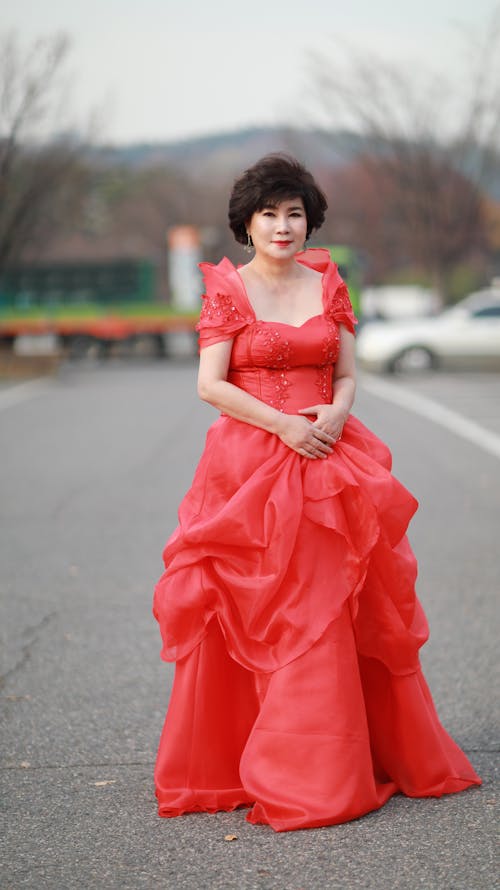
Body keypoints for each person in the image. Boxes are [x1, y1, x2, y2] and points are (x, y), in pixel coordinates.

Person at [152, 154, 481, 832]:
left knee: (332, 602)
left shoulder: (328, 284)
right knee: (263, 606)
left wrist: (333, 414)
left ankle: (333, 763)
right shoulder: (228, 290)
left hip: (331, 456)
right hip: (251, 462)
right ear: (247, 222)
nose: (283, 225)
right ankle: (258, 766)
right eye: (269, 213)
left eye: (294, 213)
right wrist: (284, 427)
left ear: (310, 221)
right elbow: (210, 384)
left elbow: (348, 374)